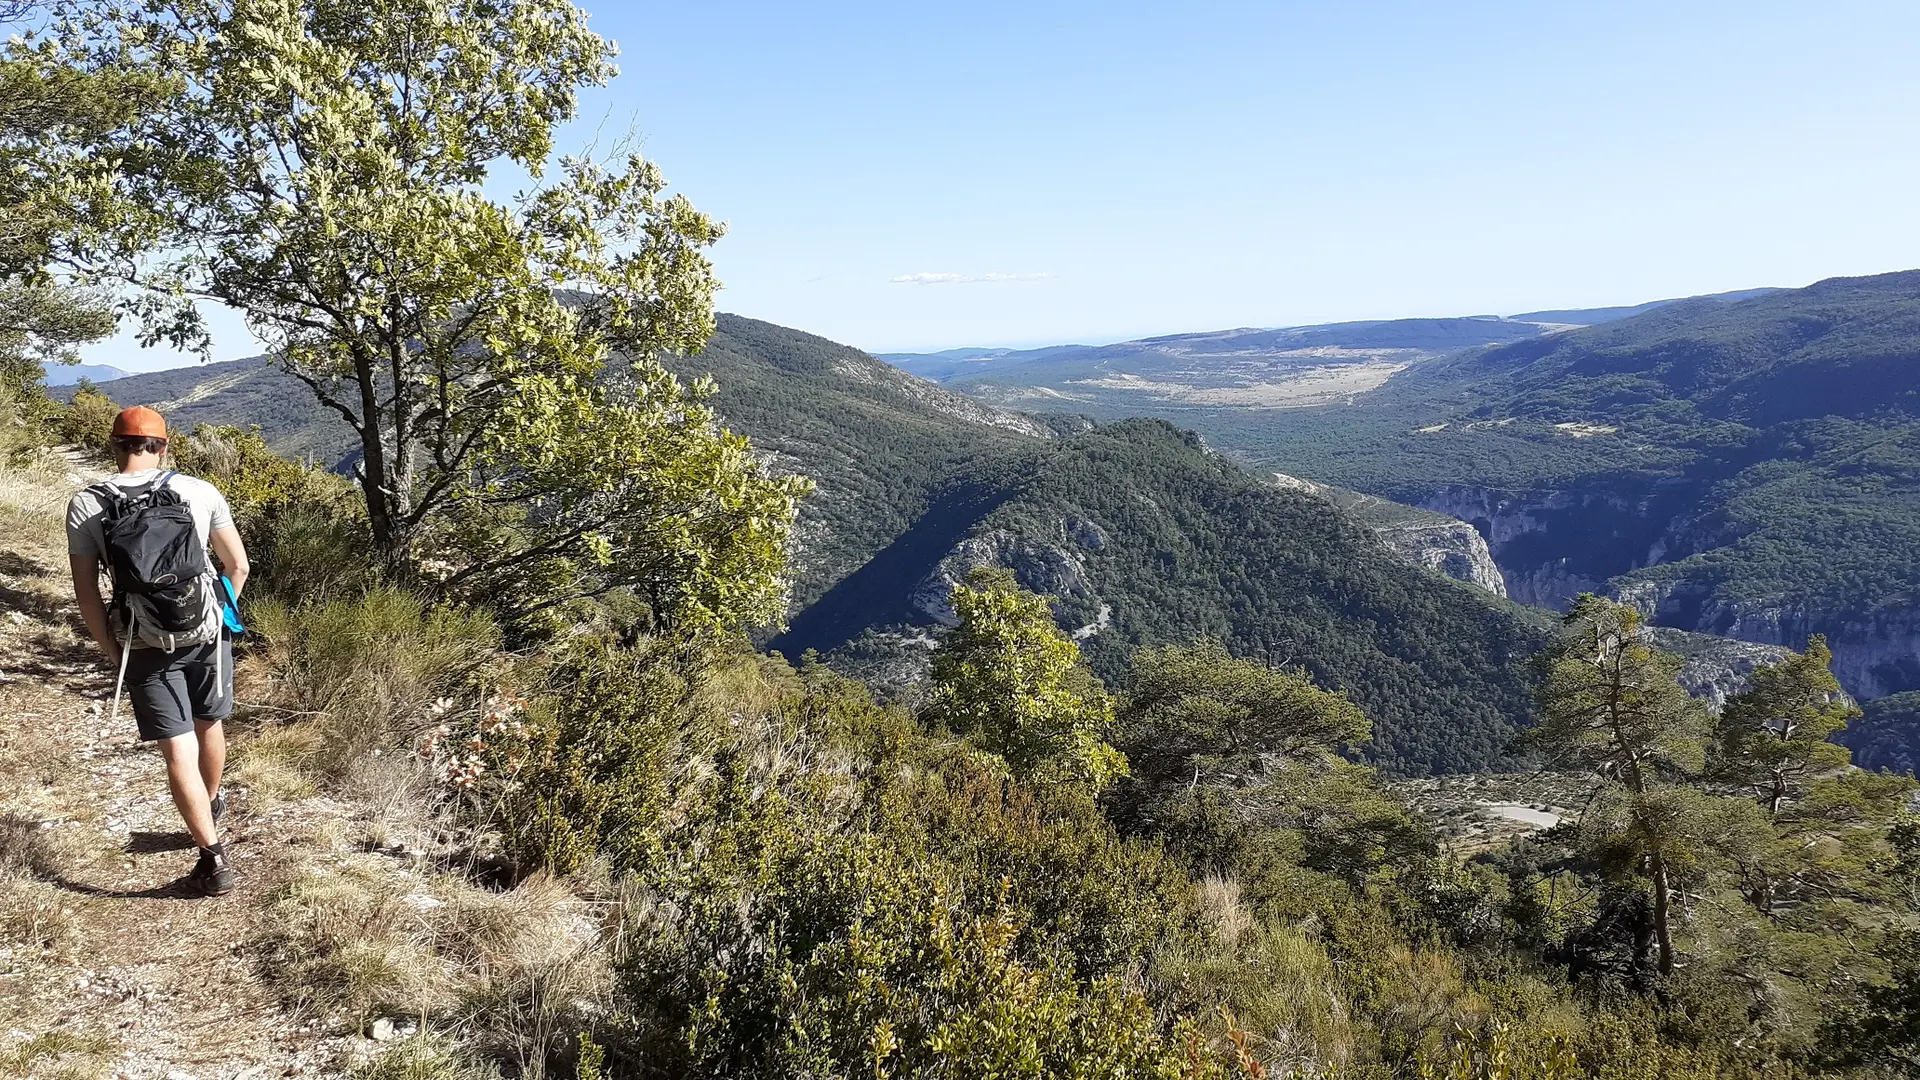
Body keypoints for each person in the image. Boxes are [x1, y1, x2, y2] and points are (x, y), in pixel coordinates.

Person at [67, 406, 250, 896]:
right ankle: (206, 810)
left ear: (115, 445)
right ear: (163, 446)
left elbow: (86, 592)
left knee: (177, 748)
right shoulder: (200, 491)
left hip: (143, 639)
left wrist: (111, 648)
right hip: (208, 633)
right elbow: (238, 565)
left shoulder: (88, 503)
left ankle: (212, 860)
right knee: (210, 724)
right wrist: (217, 614)